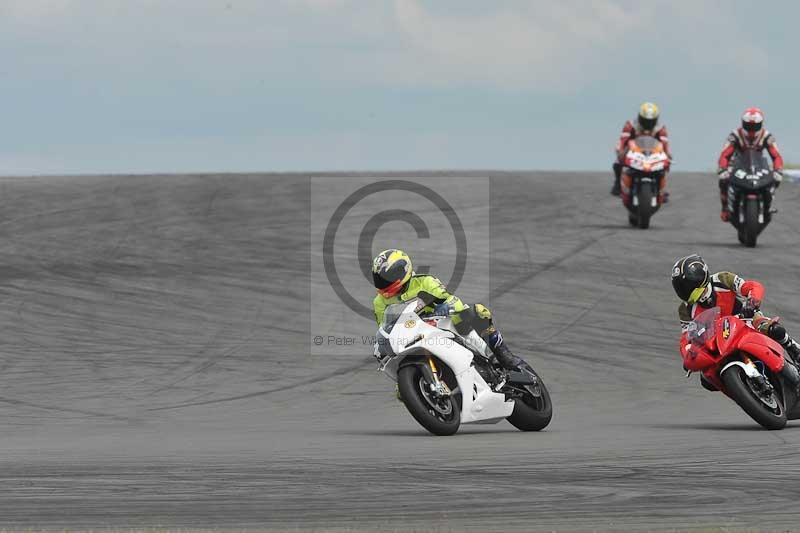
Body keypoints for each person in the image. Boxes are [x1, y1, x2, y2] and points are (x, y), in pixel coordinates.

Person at [371, 248, 522, 370]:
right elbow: (385, 328)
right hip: (410, 335)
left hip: (439, 323)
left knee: (476, 312)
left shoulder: (425, 282)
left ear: (401, 272)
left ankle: (502, 355)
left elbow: (451, 301)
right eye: (379, 278)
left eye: (385, 278)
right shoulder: (379, 302)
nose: (382, 283)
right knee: (400, 391)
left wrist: (444, 308)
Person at [671, 254, 800, 388]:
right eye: (682, 290)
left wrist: (751, 303)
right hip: (716, 340)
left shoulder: (722, 279)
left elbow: (752, 287)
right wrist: (688, 355)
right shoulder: (685, 309)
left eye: (688, 289)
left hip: (744, 319)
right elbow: (686, 338)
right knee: (706, 380)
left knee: (772, 329)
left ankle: (793, 348)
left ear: (700, 279)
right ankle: (744, 389)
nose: (686, 294)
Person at [717, 107, 784, 222]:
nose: (751, 130)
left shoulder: (767, 136)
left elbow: (776, 156)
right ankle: (725, 208)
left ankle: (768, 204)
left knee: (775, 179)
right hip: (738, 165)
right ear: (743, 123)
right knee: (723, 180)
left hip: (759, 166)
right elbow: (725, 155)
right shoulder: (735, 135)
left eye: (755, 126)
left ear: (761, 124)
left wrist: (778, 170)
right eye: (748, 125)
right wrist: (723, 169)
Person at [612, 102, 672, 197]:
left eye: (650, 121)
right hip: (633, 149)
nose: (648, 123)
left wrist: (668, 156)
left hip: (653, 151)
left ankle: (661, 190)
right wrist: (621, 152)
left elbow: (665, 144)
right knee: (617, 161)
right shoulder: (630, 125)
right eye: (645, 120)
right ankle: (618, 184)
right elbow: (623, 140)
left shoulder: (660, 128)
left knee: (665, 162)